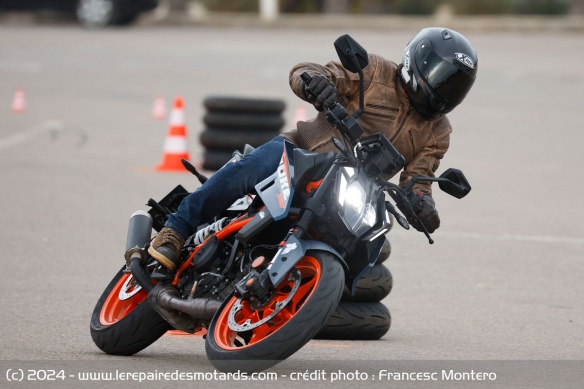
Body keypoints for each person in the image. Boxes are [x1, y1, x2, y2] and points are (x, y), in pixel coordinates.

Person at [148, 27, 478, 271]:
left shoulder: (438, 131)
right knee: (257, 162)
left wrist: (423, 204)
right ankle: (175, 230)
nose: (444, 89)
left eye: (455, 84)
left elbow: (418, 178)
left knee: (369, 236)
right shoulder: (376, 71)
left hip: (353, 189)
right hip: (303, 154)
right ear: (417, 61)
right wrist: (314, 82)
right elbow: (309, 71)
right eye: (443, 77)